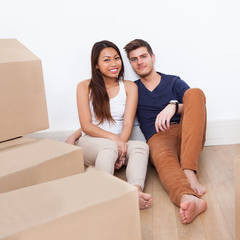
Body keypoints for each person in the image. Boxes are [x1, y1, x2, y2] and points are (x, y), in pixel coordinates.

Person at [123, 39, 207, 224]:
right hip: (158, 137)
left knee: (195, 93)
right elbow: (110, 114)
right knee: (162, 158)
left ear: (152, 57)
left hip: (187, 132)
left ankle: (189, 171)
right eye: (134, 59)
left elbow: (196, 105)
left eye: (144, 56)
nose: (140, 62)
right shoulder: (133, 89)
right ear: (130, 63)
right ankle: (188, 199)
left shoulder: (173, 81)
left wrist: (174, 107)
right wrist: (80, 131)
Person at [66, 40, 152, 210]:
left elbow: (128, 123)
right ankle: (102, 195)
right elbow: (86, 125)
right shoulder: (84, 87)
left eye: (116, 58)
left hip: (119, 141)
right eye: (106, 60)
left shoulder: (129, 87)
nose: (114, 64)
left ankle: (135, 192)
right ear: (96, 65)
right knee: (108, 148)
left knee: (141, 147)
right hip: (91, 141)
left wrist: (121, 146)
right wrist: (115, 141)